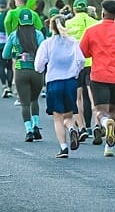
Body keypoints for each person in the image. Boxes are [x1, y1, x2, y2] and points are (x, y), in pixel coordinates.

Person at [79, 0, 115, 157]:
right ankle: (110, 147)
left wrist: (95, 53)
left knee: (100, 111)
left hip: (98, 74)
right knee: (114, 109)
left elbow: (83, 52)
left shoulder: (91, 31)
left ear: (103, 13)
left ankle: (104, 123)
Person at [34, 14, 86, 158]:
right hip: (70, 82)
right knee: (68, 115)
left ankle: (63, 147)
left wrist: (43, 69)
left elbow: (38, 65)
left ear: (51, 27)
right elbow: (81, 60)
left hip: (54, 82)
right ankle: (71, 128)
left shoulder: (47, 43)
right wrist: (75, 72)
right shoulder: (73, 42)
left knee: (57, 117)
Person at [3, 8, 47, 142]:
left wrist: (16, 54)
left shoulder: (13, 35)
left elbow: (5, 54)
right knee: (34, 100)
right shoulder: (38, 34)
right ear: (32, 20)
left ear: (19, 21)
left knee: (25, 103)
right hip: (36, 71)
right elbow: (44, 52)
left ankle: (28, 131)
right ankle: (36, 126)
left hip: (20, 71)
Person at [65, 0, 99, 142]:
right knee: (93, 97)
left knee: (77, 97)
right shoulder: (95, 23)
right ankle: (97, 125)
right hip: (93, 63)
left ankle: (82, 127)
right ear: (86, 8)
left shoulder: (68, 23)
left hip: (75, 64)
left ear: (74, 9)